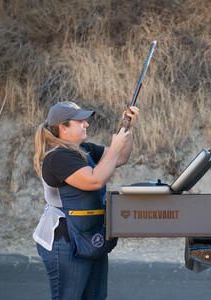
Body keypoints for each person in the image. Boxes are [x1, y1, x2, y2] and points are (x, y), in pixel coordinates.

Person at [33, 100, 139, 299]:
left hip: (89, 236)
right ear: (63, 127)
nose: (86, 124)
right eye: (79, 121)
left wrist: (127, 127)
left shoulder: (84, 149)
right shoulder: (57, 158)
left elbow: (121, 157)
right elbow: (94, 181)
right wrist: (115, 147)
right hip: (64, 241)